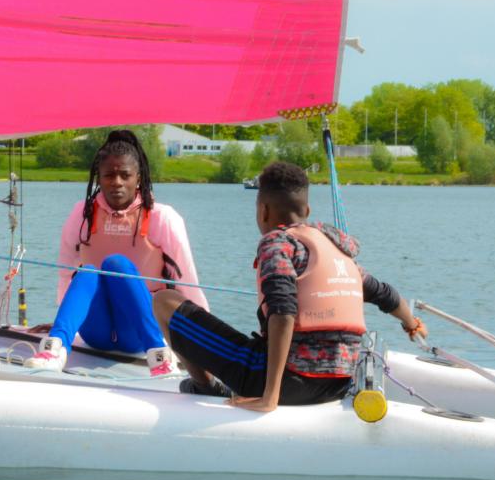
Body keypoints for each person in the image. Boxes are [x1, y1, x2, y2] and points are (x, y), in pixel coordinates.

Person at [151, 160, 427, 412]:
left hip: (287, 384)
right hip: (339, 383)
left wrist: (269, 397)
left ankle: (205, 387)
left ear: (263, 210)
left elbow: (283, 312)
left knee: (166, 302)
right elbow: (384, 293)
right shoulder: (332, 247)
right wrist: (411, 323)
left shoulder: (276, 243)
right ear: (306, 211)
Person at [24, 129, 208, 376]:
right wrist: (65, 321)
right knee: (88, 271)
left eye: (125, 175)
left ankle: (160, 358)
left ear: (138, 178)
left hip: (138, 333)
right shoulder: (82, 214)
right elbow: (66, 272)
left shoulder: (162, 217)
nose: (117, 182)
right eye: (109, 175)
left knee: (116, 264)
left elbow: (187, 281)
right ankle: (54, 350)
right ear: (99, 179)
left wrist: (204, 336)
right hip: (95, 333)